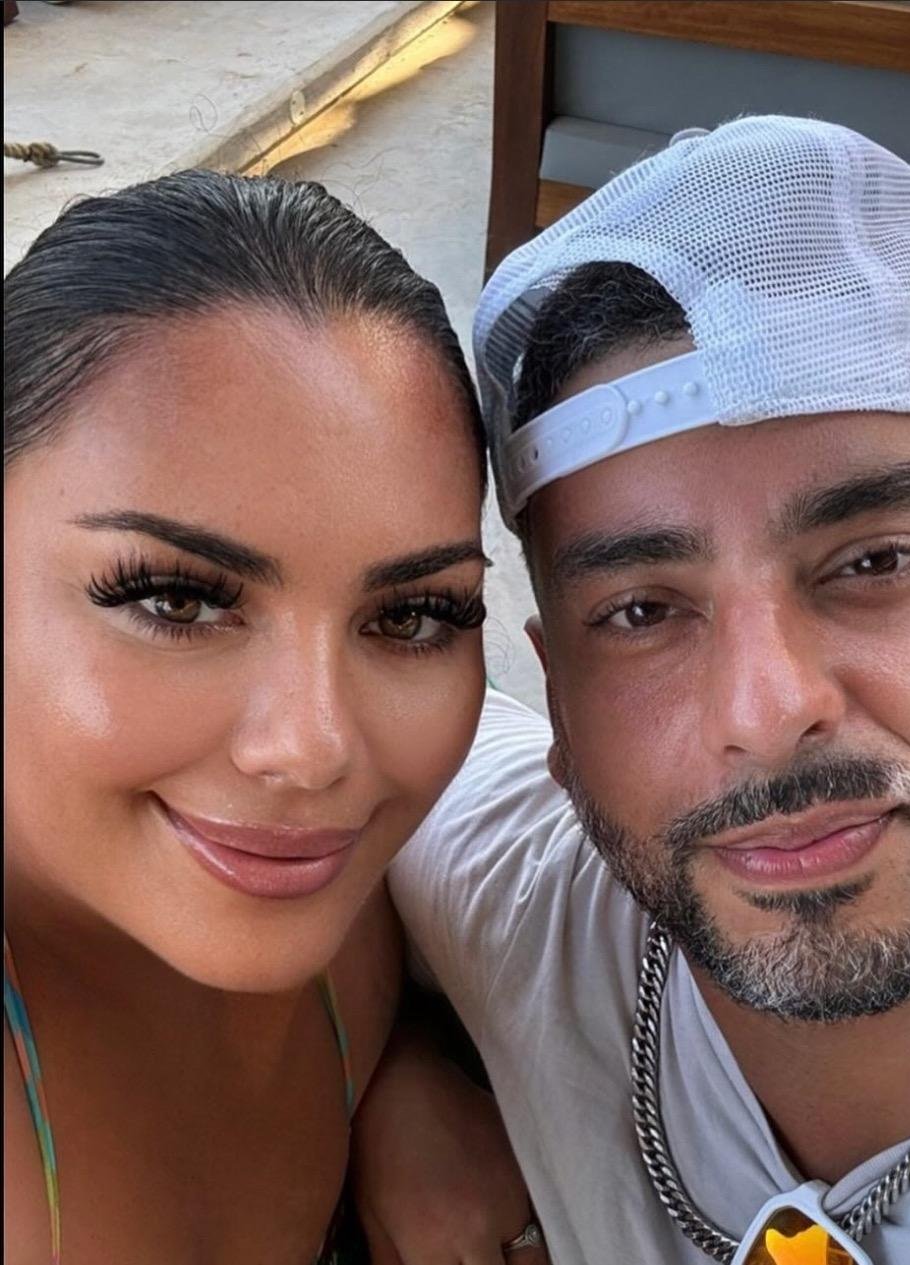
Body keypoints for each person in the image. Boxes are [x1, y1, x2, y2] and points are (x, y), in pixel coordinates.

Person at [373, 118, 910, 1264]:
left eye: (873, 561)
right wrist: (386, 1065)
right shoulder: (528, 910)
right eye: (641, 612)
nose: (767, 711)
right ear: (560, 707)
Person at [3, 169, 538, 1265]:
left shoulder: (373, 913)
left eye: (412, 616)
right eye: (176, 600)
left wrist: (397, 1074)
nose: (315, 747)